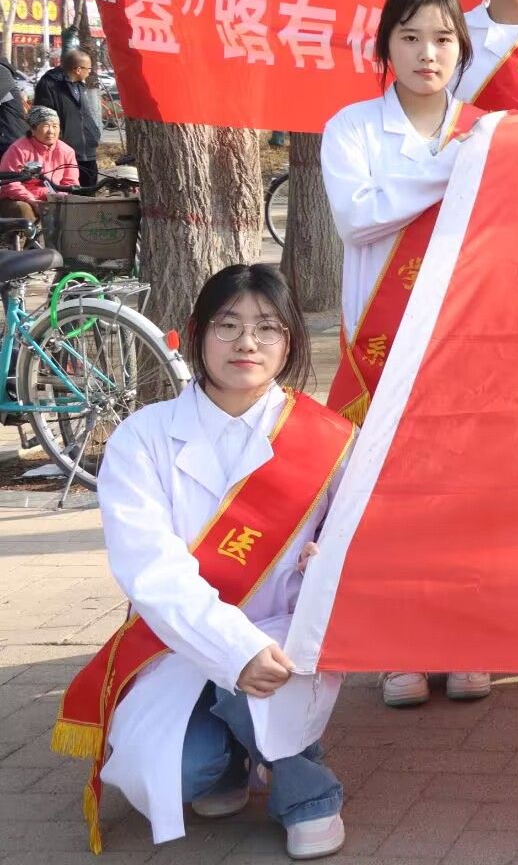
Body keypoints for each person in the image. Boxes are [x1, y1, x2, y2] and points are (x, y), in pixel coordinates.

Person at [56, 264, 353, 860]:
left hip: (285, 632)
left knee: (264, 681)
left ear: (289, 341)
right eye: (228, 325)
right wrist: (231, 650)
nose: (247, 342)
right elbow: (150, 569)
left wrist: (331, 556)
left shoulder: (329, 437)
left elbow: (357, 537)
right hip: (176, 642)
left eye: (267, 328)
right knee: (184, 776)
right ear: (196, 333)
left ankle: (307, 792)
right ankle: (230, 760)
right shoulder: (142, 437)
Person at [321, 0, 492, 710]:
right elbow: (357, 217)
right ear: (386, 45)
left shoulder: (489, 130)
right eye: (412, 37)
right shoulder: (352, 128)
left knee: (463, 492)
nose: (429, 53)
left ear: (462, 48)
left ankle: (465, 638)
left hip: (465, 335)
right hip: (381, 338)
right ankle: (397, 646)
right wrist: (451, 168)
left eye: (444, 39)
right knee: (383, 493)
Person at [0, 104, 80, 230]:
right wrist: (31, 200)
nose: (51, 131)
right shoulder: (18, 149)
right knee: (22, 210)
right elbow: (10, 183)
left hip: (52, 198)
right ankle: (25, 241)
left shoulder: (67, 151)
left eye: (55, 126)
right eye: (46, 126)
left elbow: (70, 182)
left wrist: (58, 197)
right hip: (20, 198)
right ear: (33, 129)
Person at [35, 46, 103, 187]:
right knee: (69, 193)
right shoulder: (49, 85)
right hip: (65, 153)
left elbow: (85, 115)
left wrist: (94, 134)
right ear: (78, 70)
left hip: (87, 151)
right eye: (89, 69)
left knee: (90, 193)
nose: (89, 72)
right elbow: (44, 119)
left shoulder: (79, 85)